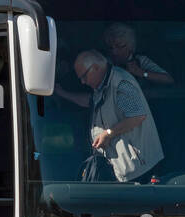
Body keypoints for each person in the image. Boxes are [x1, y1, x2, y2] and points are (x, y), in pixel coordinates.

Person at [71, 49, 164, 183]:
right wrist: (61, 93)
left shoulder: (121, 83)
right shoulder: (102, 85)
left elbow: (137, 116)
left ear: (96, 67)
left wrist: (108, 134)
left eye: (84, 76)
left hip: (138, 169)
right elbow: (90, 102)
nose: (83, 82)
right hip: (123, 168)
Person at [103, 22, 174, 87]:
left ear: (131, 46)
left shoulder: (141, 60)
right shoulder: (104, 61)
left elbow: (168, 79)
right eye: (110, 47)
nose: (114, 52)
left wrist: (140, 72)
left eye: (120, 46)